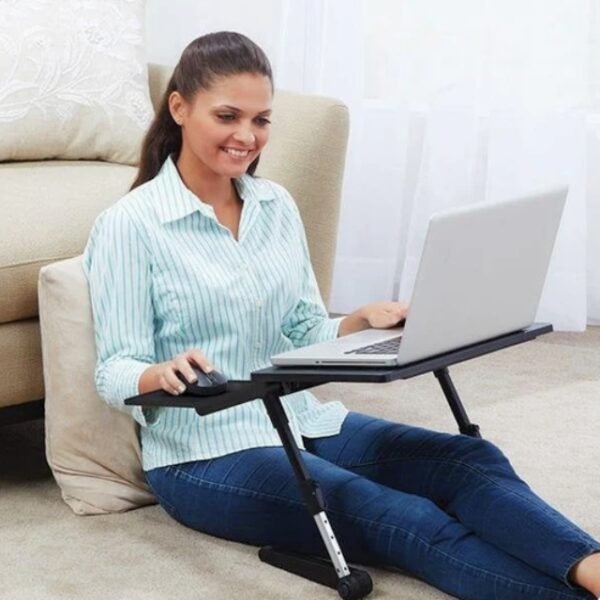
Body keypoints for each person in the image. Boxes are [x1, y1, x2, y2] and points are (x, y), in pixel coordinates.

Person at [83, 31, 600, 600]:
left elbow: (305, 333)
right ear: (179, 108)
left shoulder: (274, 206)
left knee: (468, 459)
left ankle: (591, 570)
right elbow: (113, 371)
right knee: (406, 518)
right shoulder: (130, 225)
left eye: (261, 120)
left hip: (303, 419)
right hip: (203, 456)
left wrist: (360, 322)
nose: (247, 136)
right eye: (228, 116)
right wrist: (159, 372)